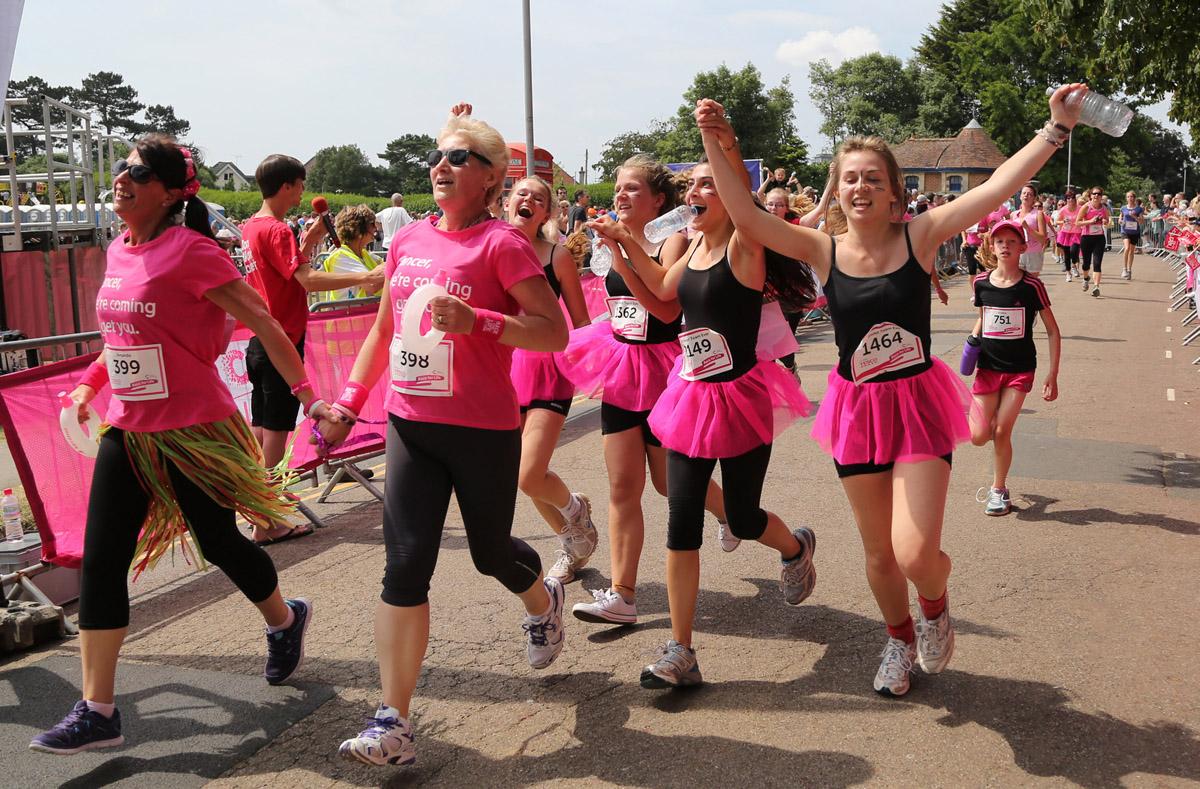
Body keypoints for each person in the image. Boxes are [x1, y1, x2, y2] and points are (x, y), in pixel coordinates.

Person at [694, 83, 1085, 697]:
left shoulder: (921, 237)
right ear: (837, 189)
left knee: (914, 553)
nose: (861, 188)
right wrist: (716, 143)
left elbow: (995, 189)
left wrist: (1054, 129)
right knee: (878, 554)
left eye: (873, 178)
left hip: (918, 405)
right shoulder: (821, 249)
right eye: (850, 178)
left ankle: (934, 606)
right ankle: (899, 638)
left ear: (894, 189)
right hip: (858, 410)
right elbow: (746, 216)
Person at [30, 136, 322, 755]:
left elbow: (265, 321)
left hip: (194, 432)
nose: (123, 179)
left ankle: (284, 618)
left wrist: (309, 395)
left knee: (220, 542)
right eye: (124, 169)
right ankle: (99, 709)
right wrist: (87, 387)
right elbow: (123, 336)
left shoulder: (194, 252)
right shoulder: (118, 248)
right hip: (128, 432)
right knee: (103, 560)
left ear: (169, 193)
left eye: (139, 172)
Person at [317, 105, 569, 767]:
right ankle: (393, 720)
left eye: (460, 157)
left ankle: (543, 600)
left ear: (490, 179)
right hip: (411, 424)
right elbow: (382, 329)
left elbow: (553, 331)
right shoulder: (407, 241)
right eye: (439, 156)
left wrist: (479, 319)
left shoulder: (502, 245)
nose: (442, 166)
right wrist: (348, 401)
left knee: (491, 554)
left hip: (483, 428)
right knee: (403, 569)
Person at [590, 159, 817, 687]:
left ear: (733, 197)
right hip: (690, 395)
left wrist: (721, 144)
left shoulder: (745, 247)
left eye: (706, 184)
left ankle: (796, 547)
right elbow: (663, 303)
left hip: (741, 397)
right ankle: (681, 650)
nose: (693, 193)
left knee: (741, 518)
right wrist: (622, 246)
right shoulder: (691, 247)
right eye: (691, 184)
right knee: (681, 520)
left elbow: (738, 199)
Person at [558, 154, 729, 628]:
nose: (620, 195)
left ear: (658, 200)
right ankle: (623, 595)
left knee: (667, 483)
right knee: (621, 487)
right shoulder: (607, 235)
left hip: (663, 369)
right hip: (619, 366)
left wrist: (624, 248)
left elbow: (666, 308)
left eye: (632, 188)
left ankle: (736, 516)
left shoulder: (674, 240)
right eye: (618, 187)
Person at [241, 156, 385, 544]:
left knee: (262, 426)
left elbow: (285, 272)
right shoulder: (275, 229)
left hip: (261, 339)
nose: (303, 193)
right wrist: (366, 275)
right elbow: (306, 280)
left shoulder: (251, 227)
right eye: (301, 185)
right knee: (276, 430)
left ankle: (261, 509)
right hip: (281, 338)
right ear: (287, 185)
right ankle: (266, 520)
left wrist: (308, 243)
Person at [505, 176, 597, 583]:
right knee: (520, 475)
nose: (528, 199)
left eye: (538, 198)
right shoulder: (492, 249)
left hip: (548, 369)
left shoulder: (556, 255)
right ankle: (571, 543)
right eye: (521, 193)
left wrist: (593, 367)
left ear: (546, 212)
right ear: (507, 202)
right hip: (502, 371)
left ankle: (575, 510)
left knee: (529, 473)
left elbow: (580, 321)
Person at [967, 220, 1060, 516]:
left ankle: (999, 490)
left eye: (1011, 241)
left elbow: (1053, 331)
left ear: (1023, 247)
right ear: (991, 247)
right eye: (999, 242)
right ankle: (980, 415)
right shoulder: (980, 282)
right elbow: (985, 316)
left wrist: (1052, 374)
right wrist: (972, 341)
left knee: (1002, 430)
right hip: (987, 367)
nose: (1005, 246)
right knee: (979, 436)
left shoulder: (1032, 285)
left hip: (1020, 369)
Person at [321, 204, 383, 300]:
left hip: (362, 312)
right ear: (358, 229)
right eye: (372, 224)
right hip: (347, 313)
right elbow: (372, 285)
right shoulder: (340, 257)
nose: (376, 228)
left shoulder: (365, 255)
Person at [1074, 186, 1108, 297]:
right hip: (1086, 237)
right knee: (1086, 263)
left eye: (1098, 194)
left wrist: (1104, 221)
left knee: (1097, 263)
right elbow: (1077, 222)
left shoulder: (1104, 208)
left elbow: (1107, 221)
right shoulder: (1086, 207)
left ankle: (1096, 287)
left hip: (1099, 238)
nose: (1096, 196)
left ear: (1101, 196)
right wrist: (1090, 221)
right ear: (1090, 196)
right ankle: (1085, 278)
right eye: (1094, 194)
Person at [1010, 184, 1048, 278]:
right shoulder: (1014, 215)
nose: (1026, 195)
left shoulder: (1038, 214)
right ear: (1020, 196)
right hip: (1017, 252)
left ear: (1034, 198)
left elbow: (1043, 239)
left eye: (1030, 194)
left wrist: (1028, 228)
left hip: (1033, 253)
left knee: (1030, 284)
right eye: (1024, 193)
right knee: (1016, 282)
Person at [1055, 191, 1082, 283]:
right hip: (1065, 233)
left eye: (1072, 198)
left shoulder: (1080, 208)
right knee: (1067, 254)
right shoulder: (1063, 209)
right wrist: (1063, 222)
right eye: (1068, 198)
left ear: (1075, 199)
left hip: (1076, 233)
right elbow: (1057, 222)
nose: (1070, 200)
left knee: (1074, 251)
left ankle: (1074, 265)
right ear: (1066, 200)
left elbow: (1084, 218)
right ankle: (1068, 273)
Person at [1118, 190, 1144, 279]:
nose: (1130, 198)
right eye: (1128, 197)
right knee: (1127, 248)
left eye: (1131, 196)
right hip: (1125, 231)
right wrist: (1120, 221)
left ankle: (1129, 270)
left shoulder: (1138, 209)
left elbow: (1141, 221)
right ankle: (1124, 269)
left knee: (1132, 251)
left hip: (1135, 232)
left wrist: (1134, 217)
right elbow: (1120, 218)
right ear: (1126, 198)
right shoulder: (1123, 208)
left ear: (1134, 198)